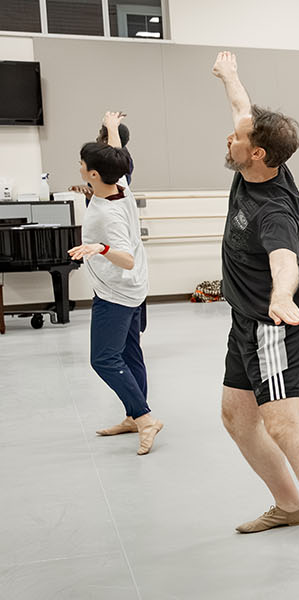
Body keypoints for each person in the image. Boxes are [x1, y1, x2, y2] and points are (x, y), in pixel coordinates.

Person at [208, 51, 299, 582]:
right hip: (243, 317)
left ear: (258, 154)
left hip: (274, 323)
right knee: (236, 418)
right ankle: (289, 504)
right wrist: (232, 76)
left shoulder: (272, 208)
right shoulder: (259, 161)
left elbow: (285, 260)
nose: (229, 138)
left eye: (237, 138)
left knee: (285, 423)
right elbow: (242, 110)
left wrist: (281, 295)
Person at [71, 111, 160, 455]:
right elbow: (119, 158)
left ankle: (145, 417)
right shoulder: (119, 184)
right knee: (129, 352)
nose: (79, 166)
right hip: (134, 287)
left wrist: (100, 247)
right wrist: (110, 129)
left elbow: (127, 257)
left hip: (117, 292)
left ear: (94, 173)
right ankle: (132, 416)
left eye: (82, 164)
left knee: (104, 359)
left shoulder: (107, 214)